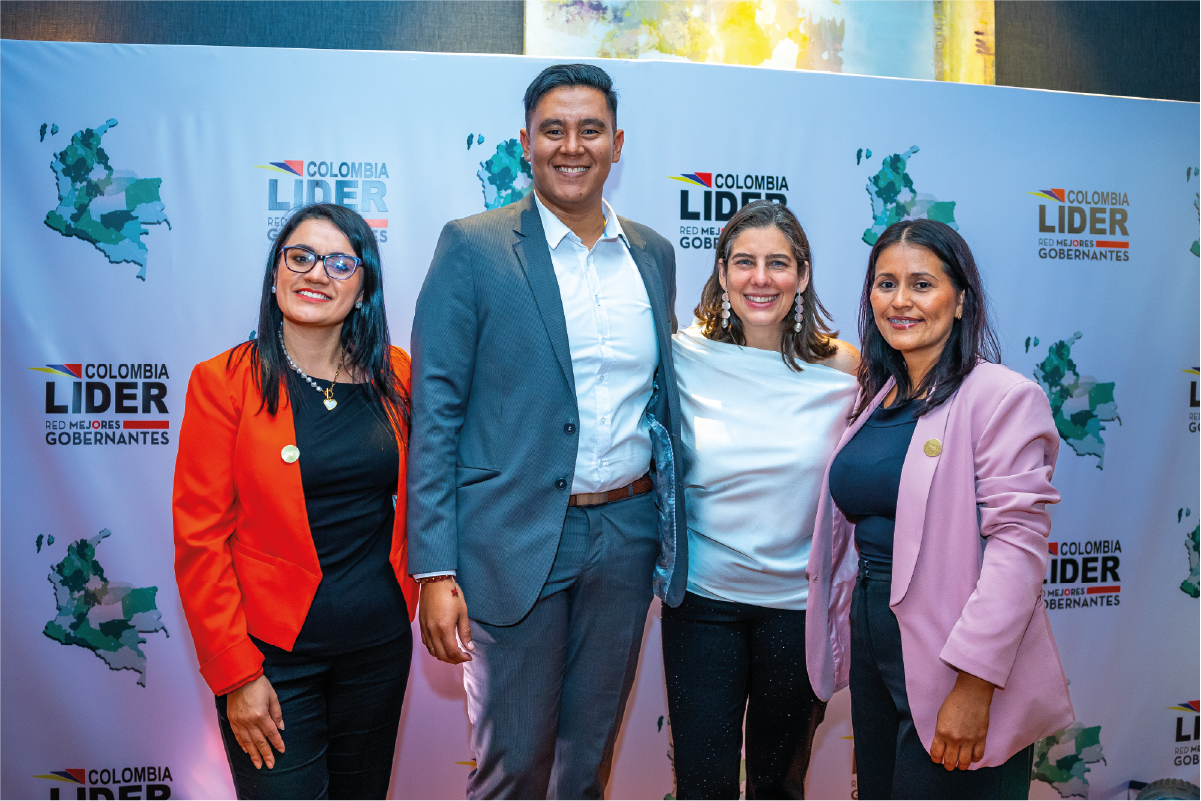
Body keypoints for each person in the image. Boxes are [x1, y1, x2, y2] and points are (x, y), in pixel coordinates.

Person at [407, 63, 687, 800]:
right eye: (553, 130)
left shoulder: (654, 255)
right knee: (514, 768)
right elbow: (434, 412)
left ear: (617, 144)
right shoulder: (473, 247)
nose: (572, 146)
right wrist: (433, 569)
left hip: (626, 537)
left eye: (590, 130)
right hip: (512, 537)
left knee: (584, 768)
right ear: (526, 142)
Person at [805, 219, 1074, 801]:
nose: (900, 301)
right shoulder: (875, 397)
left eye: (922, 284)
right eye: (885, 284)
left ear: (961, 301)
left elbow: (1017, 549)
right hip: (877, 641)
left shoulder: (1001, 396)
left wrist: (975, 683)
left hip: (958, 654)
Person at [173, 203, 418, 801]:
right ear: (276, 274)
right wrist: (236, 672)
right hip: (272, 661)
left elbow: (433, 491)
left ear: (364, 288)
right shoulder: (223, 381)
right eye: (300, 257)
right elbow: (200, 541)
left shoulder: (398, 375)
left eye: (339, 263)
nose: (316, 274)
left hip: (378, 649)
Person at [665, 200, 860, 801]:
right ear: (722, 272)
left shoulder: (843, 368)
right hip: (703, 603)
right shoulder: (682, 357)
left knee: (779, 786)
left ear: (802, 275)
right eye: (744, 262)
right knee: (703, 786)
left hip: (799, 611)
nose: (761, 278)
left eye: (778, 263)